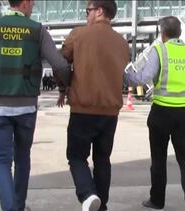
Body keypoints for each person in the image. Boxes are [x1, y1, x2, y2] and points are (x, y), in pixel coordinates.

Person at [0, 0, 70, 210]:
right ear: (26, 3)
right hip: (26, 108)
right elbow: (59, 65)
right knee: (22, 159)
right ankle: (18, 206)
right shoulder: (37, 30)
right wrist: (66, 87)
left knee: (2, 162)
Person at [125, 16, 185, 211]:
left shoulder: (159, 50)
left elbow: (144, 77)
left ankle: (157, 200)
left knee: (158, 158)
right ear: (180, 33)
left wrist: (126, 76)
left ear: (162, 33)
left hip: (161, 111)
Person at [58, 0, 129, 210]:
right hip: (110, 112)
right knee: (103, 159)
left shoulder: (78, 35)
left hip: (83, 108)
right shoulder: (122, 42)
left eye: (87, 11)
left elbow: (61, 64)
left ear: (99, 11)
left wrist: (64, 87)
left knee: (76, 156)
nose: (86, 15)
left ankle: (88, 195)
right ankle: (101, 205)